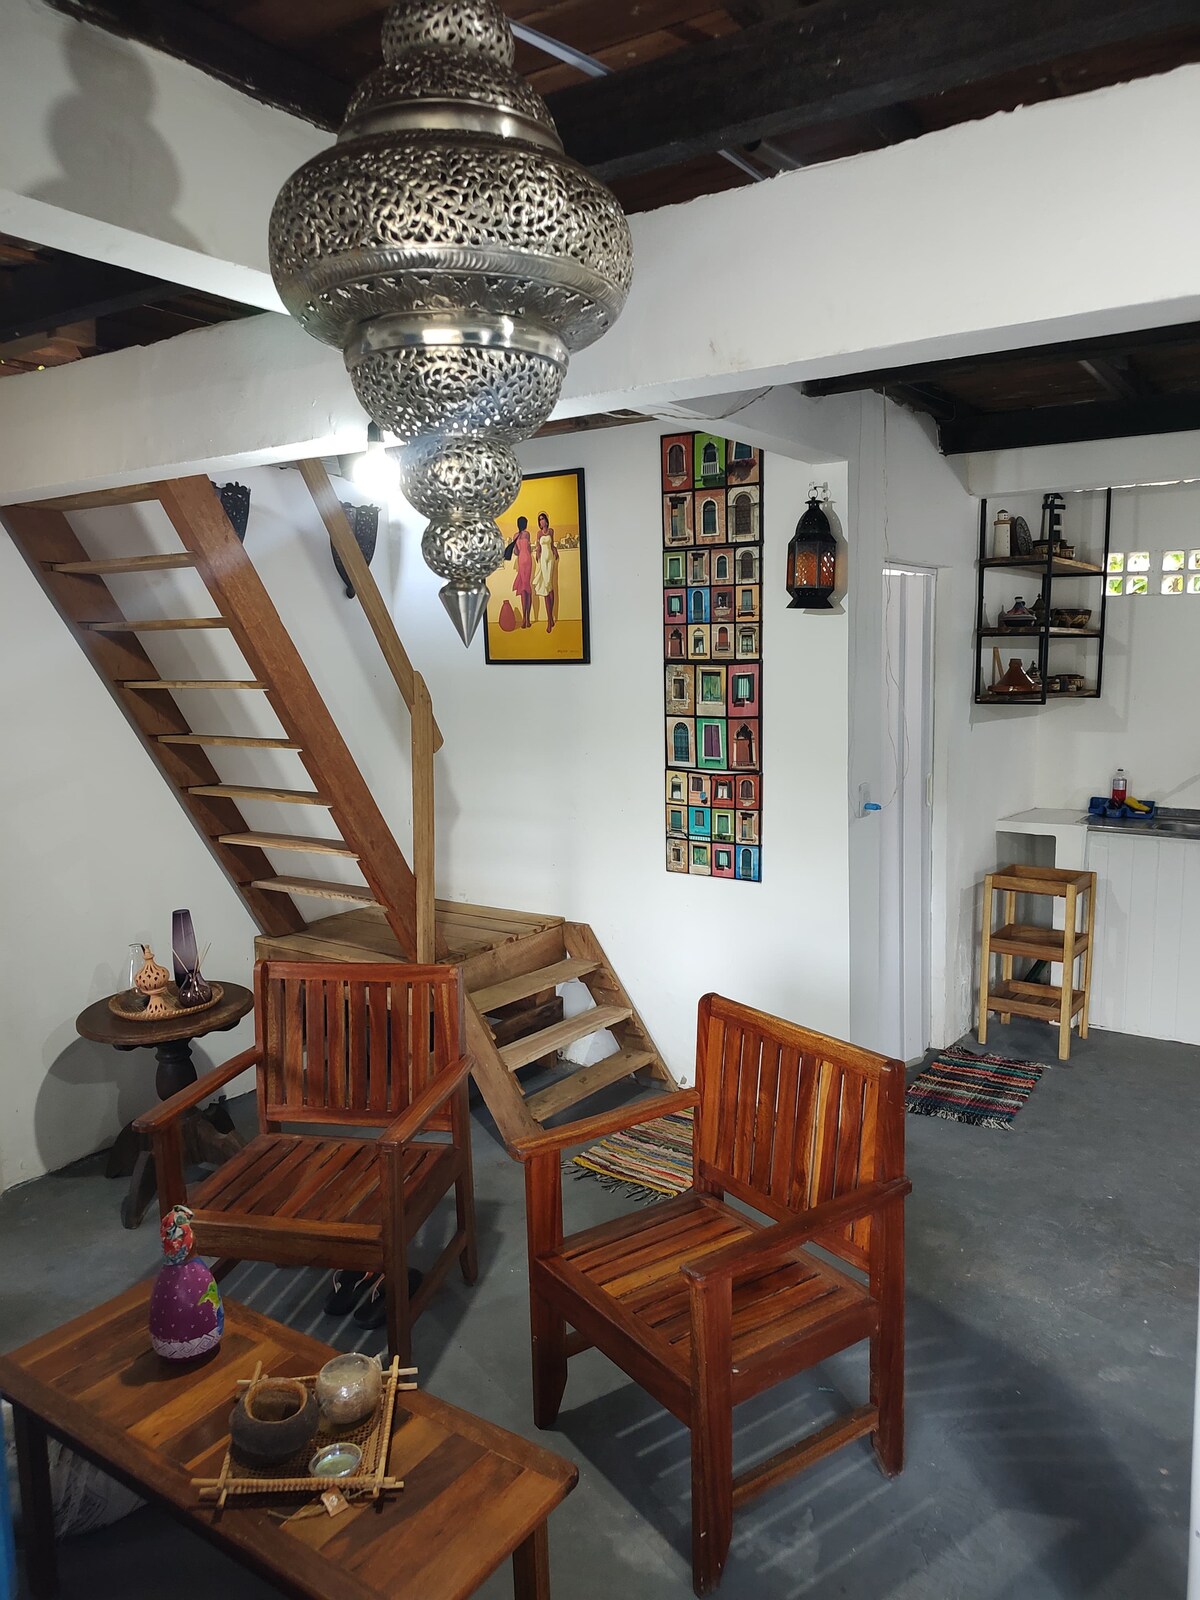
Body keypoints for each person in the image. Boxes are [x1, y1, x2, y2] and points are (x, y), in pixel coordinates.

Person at [530, 510, 559, 632]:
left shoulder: (551, 531)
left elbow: (552, 545)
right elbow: (538, 546)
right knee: (547, 587)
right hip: (542, 559)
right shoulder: (538, 533)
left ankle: (550, 619)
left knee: (549, 585)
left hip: (550, 558)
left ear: (546, 521)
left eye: (543, 519)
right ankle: (549, 619)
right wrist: (537, 552)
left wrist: (555, 550)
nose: (542, 521)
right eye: (540, 520)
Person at [508, 515, 533, 628]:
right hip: (526, 560)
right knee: (525, 588)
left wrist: (516, 547)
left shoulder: (517, 535)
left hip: (523, 560)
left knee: (524, 588)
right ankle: (526, 618)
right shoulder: (526, 534)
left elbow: (516, 552)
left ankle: (525, 619)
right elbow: (527, 549)